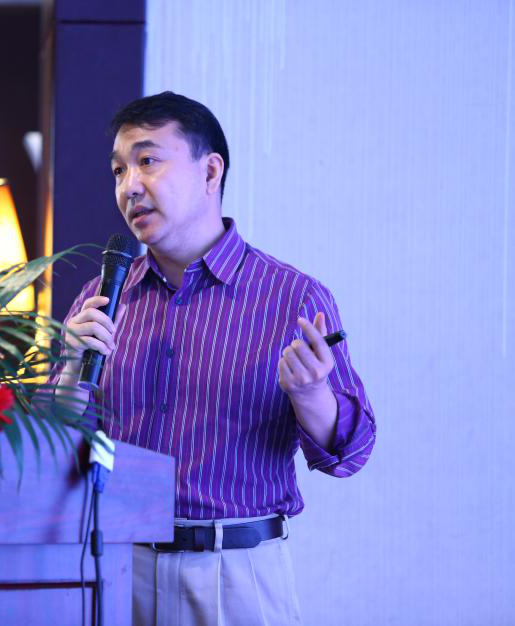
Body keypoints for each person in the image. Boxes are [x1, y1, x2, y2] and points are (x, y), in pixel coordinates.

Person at [49, 91, 376, 625]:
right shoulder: (101, 297)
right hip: (119, 567)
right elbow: (52, 445)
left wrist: (312, 394)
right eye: (118, 171)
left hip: (237, 573)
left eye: (148, 161)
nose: (130, 186)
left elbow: (353, 453)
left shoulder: (292, 298)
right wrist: (70, 368)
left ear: (210, 172)